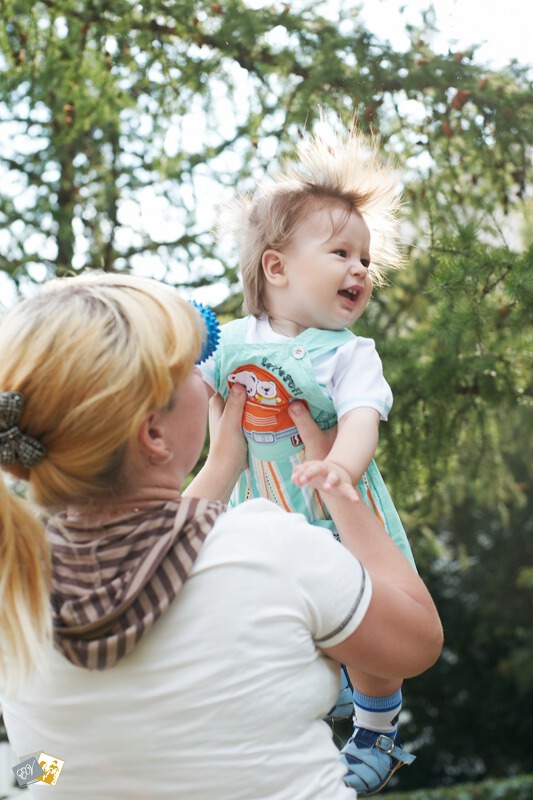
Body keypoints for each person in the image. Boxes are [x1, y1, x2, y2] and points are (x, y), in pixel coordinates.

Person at [0, 272, 442, 799]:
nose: (206, 375)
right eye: (190, 368)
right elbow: (417, 642)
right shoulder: (267, 548)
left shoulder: (15, 591)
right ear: (154, 433)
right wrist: (338, 489)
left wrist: (222, 465)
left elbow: (30, 770)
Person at [200, 124, 417, 794]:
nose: (360, 269)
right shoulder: (226, 341)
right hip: (261, 506)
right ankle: (297, 720)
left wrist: (340, 469)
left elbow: (361, 416)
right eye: (341, 253)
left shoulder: (349, 353)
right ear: (277, 268)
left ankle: (376, 730)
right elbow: (185, 396)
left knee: (374, 619)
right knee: (268, 616)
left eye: (365, 259)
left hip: (338, 507)